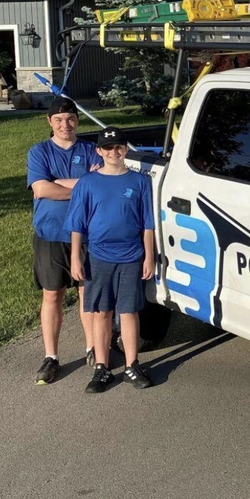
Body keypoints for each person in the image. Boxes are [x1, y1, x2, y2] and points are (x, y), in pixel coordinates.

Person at [65, 126, 156, 394]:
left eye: (118, 147)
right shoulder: (88, 183)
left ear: (126, 149)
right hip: (99, 256)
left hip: (131, 256)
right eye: (108, 148)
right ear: (99, 151)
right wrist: (75, 258)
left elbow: (147, 224)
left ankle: (131, 364)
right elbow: (77, 225)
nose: (113, 152)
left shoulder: (139, 182)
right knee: (101, 311)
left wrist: (148, 256)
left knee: (128, 311)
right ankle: (102, 367)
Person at [26, 97, 101, 385]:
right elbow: (42, 189)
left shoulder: (91, 151)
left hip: (87, 235)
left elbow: (100, 184)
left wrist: (60, 182)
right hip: (51, 234)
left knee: (87, 294)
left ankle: (93, 349)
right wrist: (83, 183)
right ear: (49, 122)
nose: (65, 124)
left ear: (77, 121)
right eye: (58, 120)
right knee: (52, 294)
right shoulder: (39, 152)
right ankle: (51, 357)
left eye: (70, 119)